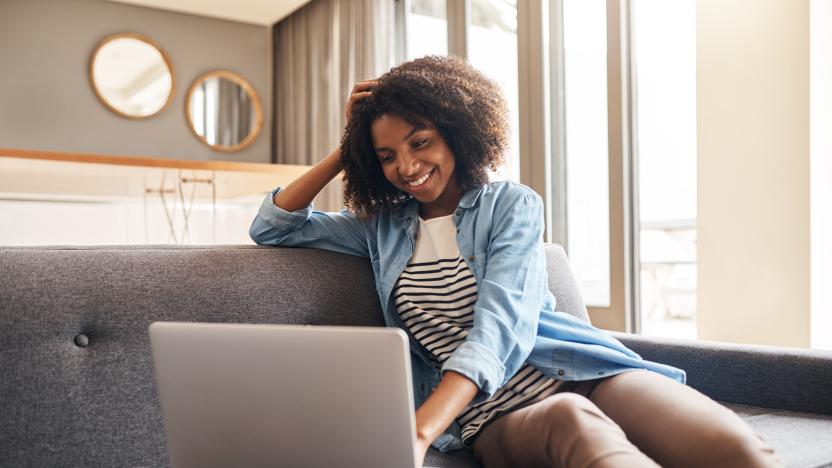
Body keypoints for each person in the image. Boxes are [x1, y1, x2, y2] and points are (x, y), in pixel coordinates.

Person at [250, 56, 781, 468]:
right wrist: (350, 144)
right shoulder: (380, 229)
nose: (406, 166)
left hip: (584, 372)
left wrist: (417, 430)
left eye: (420, 142)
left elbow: (502, 325)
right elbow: (272, 227)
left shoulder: (511, 205)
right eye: (386, 156)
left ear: (456, 130)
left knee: (735, 447)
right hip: (494, 415)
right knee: (575, 422)